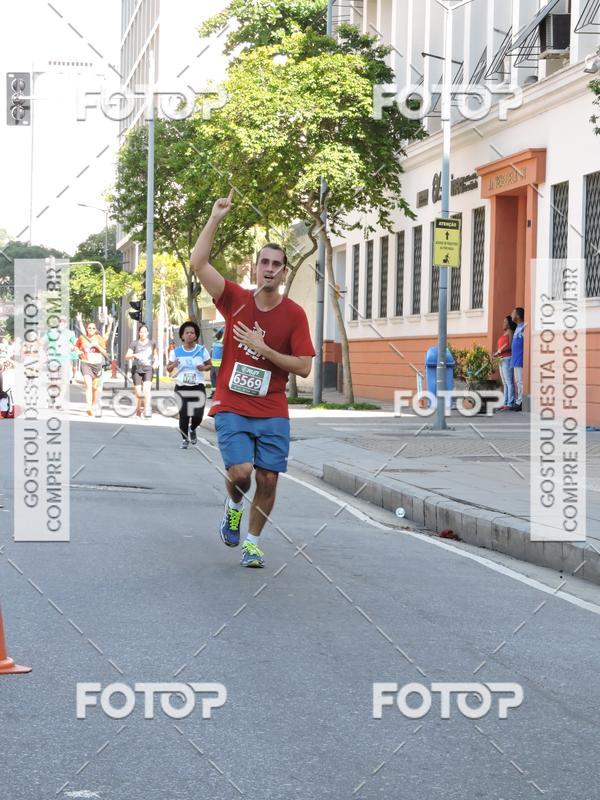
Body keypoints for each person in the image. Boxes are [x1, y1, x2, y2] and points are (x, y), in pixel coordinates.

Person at [190, 191, 314, 568]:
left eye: (277, 264)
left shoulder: (294, 315)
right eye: (264, 262)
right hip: (233, 404)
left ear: (284, 271)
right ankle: (233, 505)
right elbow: (199, 264)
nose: (270, 268)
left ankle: (253, 542)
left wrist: (265, 348)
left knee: (270, 479)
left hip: (273, 407)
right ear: (256, 268)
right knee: (242, 473)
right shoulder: (235, 300)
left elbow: (304, 366)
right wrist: (215, 217)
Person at [166, 321, 211, 448]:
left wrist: (203, 368)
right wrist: (173, 364)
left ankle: (193, 428)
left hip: (198, 386)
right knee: (184, 413)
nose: (190, 335)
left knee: (198, 415)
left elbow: (209, 365)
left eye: (192, 333)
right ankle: (185, 439)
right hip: (181, 387)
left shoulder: (202, 350)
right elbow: (168, 368)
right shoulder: (176, 352)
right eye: (187, 333)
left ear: (196, 336)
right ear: (182, 336)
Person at [75, 322, 108, 416]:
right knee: (88, 385)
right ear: (86, 329)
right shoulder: (82, 338)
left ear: (96, 330)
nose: (91, 330)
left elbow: (105, 353)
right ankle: (89, 407)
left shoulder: (99, 339)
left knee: (95, 388)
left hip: (97, 365)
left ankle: (93, 404)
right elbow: (76, 347)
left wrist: (97, 346)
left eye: (93, 328)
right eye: (89, 328)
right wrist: (78, 351)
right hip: (86, 363)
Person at [125, 324, 157, 418]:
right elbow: (126, 356)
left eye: (144, 331)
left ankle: (147, 410)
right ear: (139, 333)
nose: (143, 333)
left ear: (147, 333)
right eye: (141, 331)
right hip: (137, 369)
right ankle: (138, 409)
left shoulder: (152, 343)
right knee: (138, 392)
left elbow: (155, 354)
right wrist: (134, 355)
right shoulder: (134, 343)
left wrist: (156, 362)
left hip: (148, 369)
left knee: (147, 390)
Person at [493, 315, 516, 411]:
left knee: (509, 382)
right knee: (505, 383)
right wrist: (497, 352)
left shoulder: (510, 332)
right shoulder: (504, 333)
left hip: (507, 358)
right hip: (501, 359)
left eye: (505, 322)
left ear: (509, 323)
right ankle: (505, 402)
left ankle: (510, 403)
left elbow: (510, 346)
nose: (503, 323)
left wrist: (500, 351)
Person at [509, 307, 525, 412]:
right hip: (515, 359)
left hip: (519, 358)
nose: (511, 315)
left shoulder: (523, 327)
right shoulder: (517, 327)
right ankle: (518, 400)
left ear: (518, 316)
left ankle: (520, 401)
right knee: (517, 381)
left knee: (520, 381)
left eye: (513, 313)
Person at [209, 327, 224, 398]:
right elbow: (211, 351)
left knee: (219, 379)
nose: (215, 334)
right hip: (212, 364)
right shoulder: (214, 341)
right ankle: (213, 393)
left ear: (220, 334)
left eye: (216, 333)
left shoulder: (223, 341)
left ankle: (219, 394)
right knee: (212, 378)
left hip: (219, 365)